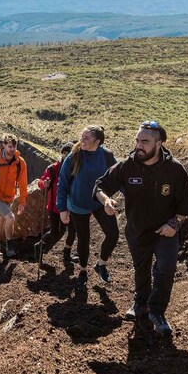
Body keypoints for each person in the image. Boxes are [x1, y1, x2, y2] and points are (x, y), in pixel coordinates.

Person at [94, 120, 188, 336]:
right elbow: (100, 186)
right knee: (141, 269)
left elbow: (187, 206)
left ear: (159, 144)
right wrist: (106, 201)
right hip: (137, 230)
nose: (139, 145)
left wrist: (173, 223)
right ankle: (140, 304)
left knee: (165, 268)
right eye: (137, 140)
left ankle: (157, 312)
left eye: (145, 142)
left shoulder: (175, 169)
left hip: (165, 231)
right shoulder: (126, 166)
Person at [58, 125, 118, 291]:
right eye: (81, 137)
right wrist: (62, 208)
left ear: (97, 141)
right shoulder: (74, 156)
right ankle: (83, 270)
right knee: (84, 239)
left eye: (86, 138)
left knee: (113, 235)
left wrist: (133, 194)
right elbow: (62, 183)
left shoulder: (106, 155)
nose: (82, 141)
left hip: (100, 201)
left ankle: (101, 264)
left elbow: (119, 176)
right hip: (78, 204)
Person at [34, 141, 78, 265]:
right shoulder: (53, 169)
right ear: (62, 154)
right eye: (66, 153)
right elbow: (41, 182)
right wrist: (45, 184)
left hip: (71, 206)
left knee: (72, 231)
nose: (68, 156)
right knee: (54, 233)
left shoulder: (76, 168)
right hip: (55, 206)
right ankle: (39, 245)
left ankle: (67, 255)